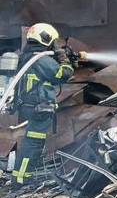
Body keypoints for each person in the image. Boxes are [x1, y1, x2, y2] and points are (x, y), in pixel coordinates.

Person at [12, 23, 77, 185]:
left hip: (30, 106)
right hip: (40, 108)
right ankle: (21, 179)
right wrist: (63, 58)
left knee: (32, 142)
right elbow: (62, 74)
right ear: (46, 38)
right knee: (33, 144)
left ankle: (21, 176)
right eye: (53, 42)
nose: (54, 46)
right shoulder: (41, 59)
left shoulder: (28, 56)